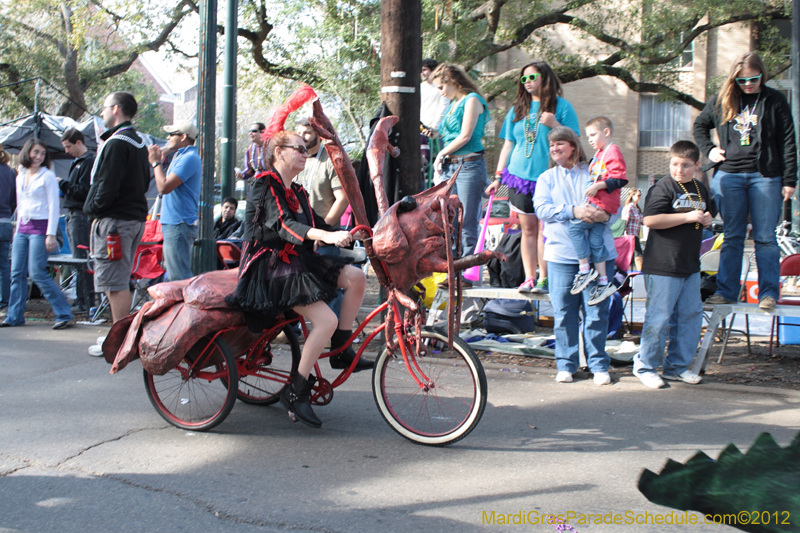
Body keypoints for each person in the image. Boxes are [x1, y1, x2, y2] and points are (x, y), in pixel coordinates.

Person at [226, 130, 370, 429]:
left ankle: (341, 351)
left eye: (307, 149)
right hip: (268, 265)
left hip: (297, 260)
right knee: (325, 320)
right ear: (279, 152)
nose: (306, 153)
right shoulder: (263, 184)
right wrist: (325, 235)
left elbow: (314, 224)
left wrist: (353, 231)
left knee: (356, 277)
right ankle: (297, 390)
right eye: (300, 149)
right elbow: (283, 225)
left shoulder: (299, 191)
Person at [693, 51, 797, 310]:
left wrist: (790, 180)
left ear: (762, 75)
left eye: (753, 79)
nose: (748, 84)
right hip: (730, 176)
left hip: (766, 176)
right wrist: (710, 150)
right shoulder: (724, 99)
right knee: (732, 236)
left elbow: (788, 140)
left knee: (765, 237)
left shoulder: (774, 100)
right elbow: (700, 125)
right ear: (735, 79)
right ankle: (726, 292)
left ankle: (768, 294)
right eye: (742, 81)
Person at [487, 61, 580, 294]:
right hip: (518, 177)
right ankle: (529, 278)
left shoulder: (562, 106)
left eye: (532, 77)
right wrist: (498, 177)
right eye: (524, 79)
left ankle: (544, 278)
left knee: (545, 229)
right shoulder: (517, 109)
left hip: (549, 177)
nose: (527, 82)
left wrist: (554, 124)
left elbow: (575, 141)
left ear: (545, 78)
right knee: (527, 229)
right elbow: (509, 144)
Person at [533, 126, 615, 385]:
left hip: (598, 256)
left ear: (573, 146)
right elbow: (541, 210)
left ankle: (598, 365)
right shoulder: (546, 178)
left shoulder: (594, 171)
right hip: (560, 257)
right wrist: (572, 211)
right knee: (564, 312)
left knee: (597, 312)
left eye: (560, 143)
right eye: (552, 145)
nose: (555, 148)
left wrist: (606, 215)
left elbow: (615, 204)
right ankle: (566, 364)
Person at [632, 141, 717, 388]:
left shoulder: (701, 189)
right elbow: (650, 219)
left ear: (696, 165)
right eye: (675, 164)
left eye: (686, 165)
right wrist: (687, 216)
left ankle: (676, 368)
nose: (679, 169)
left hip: (689, 265)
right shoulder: (664, 186)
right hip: (662, 265)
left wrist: (709, 218)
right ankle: (646, 366)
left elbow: (708, 214)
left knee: (689, 318)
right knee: (658, 319)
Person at [84, 91, 150, 356]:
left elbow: (105, 186)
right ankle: (121, 336)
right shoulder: (139, 142)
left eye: (104, 108)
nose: (102, 113)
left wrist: (92, 208)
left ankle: (118, 341)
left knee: (115, 282)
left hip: (115, 223)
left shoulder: (116, 143)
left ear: (116, 109)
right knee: (118, 279)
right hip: (132, 219)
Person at [1, 139, 73, 329]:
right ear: (27, 152)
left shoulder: (47, 176)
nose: (39, 157)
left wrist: (51, 234)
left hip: (41, 229)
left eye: (42, 153)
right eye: (35, 152)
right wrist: (17, 225)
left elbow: (54, 206)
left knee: (37, 272)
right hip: (22, 227)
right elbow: (20, 203)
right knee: (16, 272)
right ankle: (14, 316)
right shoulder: (20, 174)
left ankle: (63, 312)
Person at [431, 63, 490, 257]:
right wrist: (435, 133)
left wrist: (441, 153)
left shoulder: (472, 100)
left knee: (467, 221)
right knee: (450, 220)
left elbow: (465, 136)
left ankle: (468, 270)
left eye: (441, 87)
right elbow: (452, 134)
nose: (440, 92)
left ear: (452, 81)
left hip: (469, 165)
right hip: (451, 167)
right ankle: (453, 267)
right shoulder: (453, 104)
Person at [567, 116, 628, 305]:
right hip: (597, 203)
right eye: (588, 136)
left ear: (606, 132)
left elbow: (620, 179)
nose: (590, 139)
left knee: (574, 229)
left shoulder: (612, 150)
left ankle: (585, 269)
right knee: (595, 241)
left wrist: (599, 186)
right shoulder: (599, 154)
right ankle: (603, 281)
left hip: (603, 204)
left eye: (593, 134)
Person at [147, 120, 201, 282]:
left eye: (172, 134)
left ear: (183, 136)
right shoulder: (182, 155)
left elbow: (164, 187)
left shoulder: (189, 158)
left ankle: (189, 307)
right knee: (174, 276)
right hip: (175, 223)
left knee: (179, 278)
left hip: (179, 224)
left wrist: (156, 163)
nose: (168, 137)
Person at [60, 128, 95, 313]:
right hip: (74, 214)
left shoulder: (88, 161)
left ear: (78, 142)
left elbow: (83, 190)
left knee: (81, 260)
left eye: (68, 146)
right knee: (77, 259)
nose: (66, 151)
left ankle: (85, 301)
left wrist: (63, 184)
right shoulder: (78, 162)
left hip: (80, 215)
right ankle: (82, 298)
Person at [296, 118, 349, 226]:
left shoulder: (331, 160)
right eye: (299, 133)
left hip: (324, 236)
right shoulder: (295, 159)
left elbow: (343, 198)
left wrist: (323, 231)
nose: (301, 137)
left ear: (319, 135)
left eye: (307, 133)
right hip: (299, 232)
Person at [0, 144, 16, 310]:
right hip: (5, 222)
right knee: (4, 265)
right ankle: (5, 302)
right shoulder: (10, 172)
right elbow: (14, 200)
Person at [621, 189, 644, 271]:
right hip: (630, 234)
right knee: (638, 253)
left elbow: (642, 222)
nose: (639, 197)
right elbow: (625, 221)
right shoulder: (629, 207)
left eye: (640, 195)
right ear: (632, 196)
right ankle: (639, 270)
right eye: (638, 195)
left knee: (633, 253)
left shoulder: (637, 209)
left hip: (635, 234)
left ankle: (628, 271)